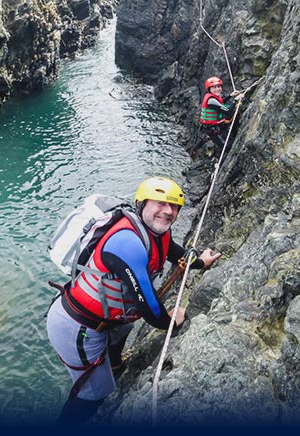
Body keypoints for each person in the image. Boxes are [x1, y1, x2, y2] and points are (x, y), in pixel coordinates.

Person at [46, 176, 221, 426]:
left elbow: (174, 252)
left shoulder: (153, 230)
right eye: (160, 203)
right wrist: (172, 321)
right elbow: (148, 306)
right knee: (92, 394)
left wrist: (201, 262)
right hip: (77, 327)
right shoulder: (126, 243)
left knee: (124, 329)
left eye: (174, 206)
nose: (168, 211)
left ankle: (115, 367)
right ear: (140, 204)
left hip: (105, 319)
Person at [199, 76, 244, 151]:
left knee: (235, 114)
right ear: (209, 89)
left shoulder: (213, 98)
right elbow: (227, 111)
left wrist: (230, 96)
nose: (217, 89)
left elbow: (220, 103)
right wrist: (235, 100)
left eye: (219, 87)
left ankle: (232, 133)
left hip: (219, 125)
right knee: (228, 148)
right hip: (212, 129)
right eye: (214, 87)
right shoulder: (211, 101)